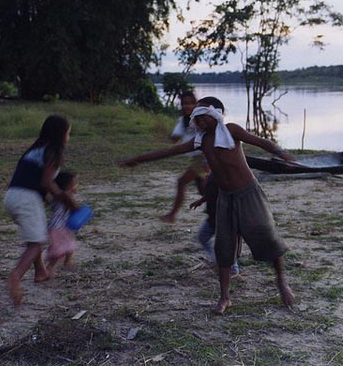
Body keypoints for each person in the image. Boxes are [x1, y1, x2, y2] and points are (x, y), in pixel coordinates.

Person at [119, 96, 295, 313]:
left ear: (216, 115)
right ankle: (225, 297)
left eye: (203, 116)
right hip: (226, 197)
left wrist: (281, 153)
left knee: (265, 234)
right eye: (195, 117)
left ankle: (281, 282)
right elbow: (168, 152)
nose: (198, 120)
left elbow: (261, 141)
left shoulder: (231, 130)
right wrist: (138, 159)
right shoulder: (200, 141)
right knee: (224, 245)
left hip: (249, 192)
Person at [3, 115, 78, 306]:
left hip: (13, 196)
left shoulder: (36, 150)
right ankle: (15, 276)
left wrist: (53, 201)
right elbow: (46, 182)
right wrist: (66, 197)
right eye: (68, 133)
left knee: (35, 236)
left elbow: (40, 183)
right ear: (61, 135)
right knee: (36, 244)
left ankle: (41, 272)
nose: (68, 138)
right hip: (26, 198)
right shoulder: (53, 153)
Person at [160, 90, 210, 223]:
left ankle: (172, 215)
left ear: (195, 104)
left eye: (189, 103)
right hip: (197, 159)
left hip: (205, 159)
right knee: (203, 190)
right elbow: (175, 138)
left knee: (182, 182)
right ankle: (215, 211)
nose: (186, 106)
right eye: (184, 104)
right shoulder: (183, 120)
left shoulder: (201, 119)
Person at [189, 173, 240, 276]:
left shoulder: (220, 179)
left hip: (225, 220)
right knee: (202, 237)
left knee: (227, 246)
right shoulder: (211, 180)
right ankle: (217, 260)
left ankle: (233, 268)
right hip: (212, 219)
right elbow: (208, 194)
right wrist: (200, 201)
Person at [44, 170, 79, 278]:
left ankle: (67, 262)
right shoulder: (65, 198)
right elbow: (75, 209)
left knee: (70, 244)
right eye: (75, 184)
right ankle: (50, 267)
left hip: (61, 226)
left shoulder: (58, 197)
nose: (77, 186)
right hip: (58, 227)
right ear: (68, 187)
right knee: (59, 249)